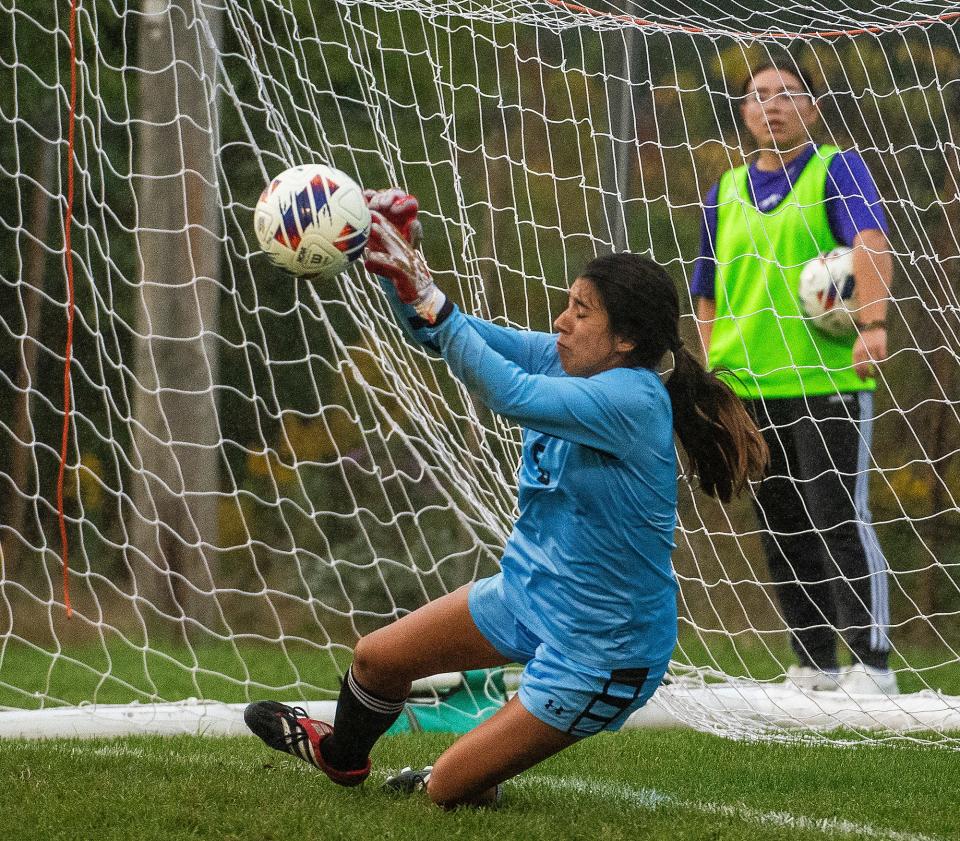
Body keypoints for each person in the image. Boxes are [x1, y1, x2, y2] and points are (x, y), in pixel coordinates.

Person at [245, 189, 768, 808]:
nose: (561, 321)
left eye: (581, 311)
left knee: (448, 790)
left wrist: (428, 296)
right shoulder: (571, 359)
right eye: (568, 304)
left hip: (604, 645)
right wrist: (400, 272)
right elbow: (448, 337)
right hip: (532, 591)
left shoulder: (632, 401)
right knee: (376, 659)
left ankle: (460, 773)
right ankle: (340, 758)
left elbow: (508, 392)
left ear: (625, 340)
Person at [691, 59, 897, 695]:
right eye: (758, 96)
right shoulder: (723, 190)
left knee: (836, 512)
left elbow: (870, 241)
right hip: (749, 383)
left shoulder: (836, 167)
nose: (771, 105)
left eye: (786, 94)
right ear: (744, 113)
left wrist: (872, 322)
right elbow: (705, 291)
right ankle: (813, 662)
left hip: (825, 377)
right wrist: (712, 370)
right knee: (779, 523)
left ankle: (873, 664)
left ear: (811, 108)